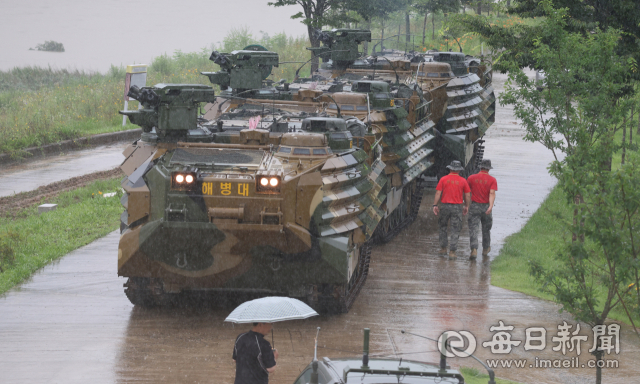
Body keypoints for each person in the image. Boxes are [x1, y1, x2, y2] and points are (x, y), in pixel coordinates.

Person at [433, 160, 471, 259]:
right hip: (457, 207)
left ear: (450, 169)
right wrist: (466, 206)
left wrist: (435, 205)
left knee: (443, 227)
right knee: (455, 229)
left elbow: (438, 193)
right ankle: (452, 252)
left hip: (445, 206)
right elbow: (467, 195)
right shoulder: (463, 181)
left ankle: (443, 248)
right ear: (459, 170)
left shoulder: (443, 179)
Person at [467, 159, 497, 259]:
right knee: (486, 229)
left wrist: (467, 204)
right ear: (488, 169)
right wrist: (490, 206)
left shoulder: (471, 178)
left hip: (474, 206)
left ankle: (474, 249)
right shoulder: (492, 180)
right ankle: (485, 249)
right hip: (486, 206)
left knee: (473, 229)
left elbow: (467, 192)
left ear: (480, 167)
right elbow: (492, 193)